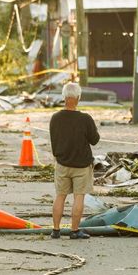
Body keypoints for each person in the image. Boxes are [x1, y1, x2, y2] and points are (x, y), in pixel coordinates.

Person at [49, 82, 100, 239]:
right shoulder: (85, 119)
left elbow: (54, 141)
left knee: (60, 196)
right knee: (79, 197)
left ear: (64, 97)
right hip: (81, 165)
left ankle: (56, 230)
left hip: (62, 164)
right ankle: (74, 230)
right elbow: (95, 140)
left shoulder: (55, 118)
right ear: (78, 98)